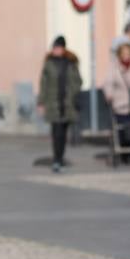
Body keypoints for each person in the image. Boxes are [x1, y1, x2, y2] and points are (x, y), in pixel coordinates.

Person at [37, 35, 82, 173]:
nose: (56, 50)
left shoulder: (70, 63)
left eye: (58, 47)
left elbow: (78, 81)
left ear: (63, 48)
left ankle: (60, 157)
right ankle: (56, 159)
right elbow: (43, 84)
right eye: (54, 47)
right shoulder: (48, 63)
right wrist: (41, 102)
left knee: (63, 133)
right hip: (53, 103)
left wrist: (73, 93)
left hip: (67, 103)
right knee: (56, 132)